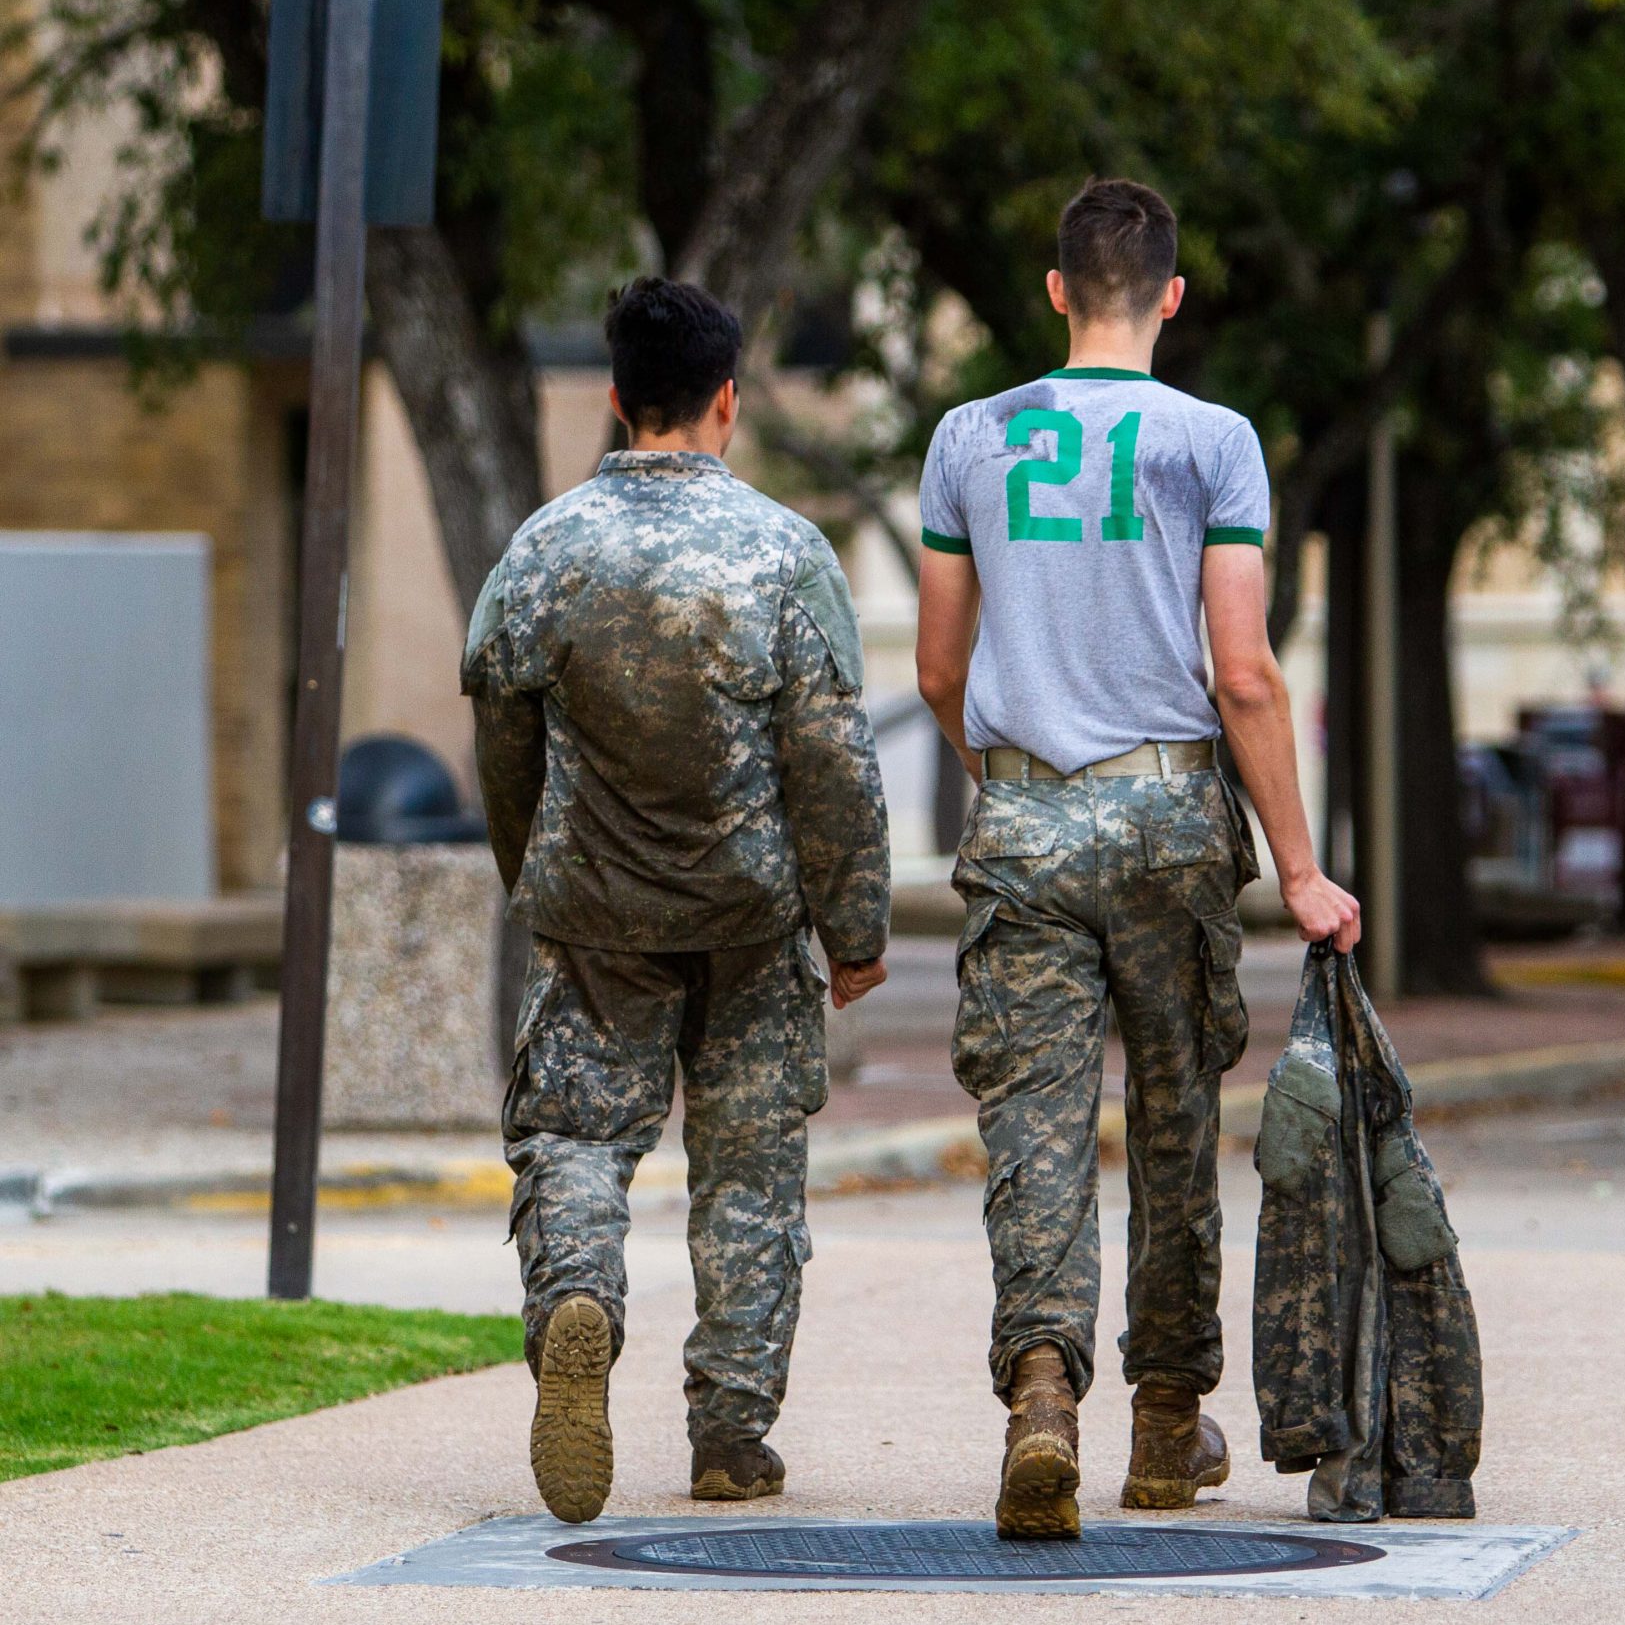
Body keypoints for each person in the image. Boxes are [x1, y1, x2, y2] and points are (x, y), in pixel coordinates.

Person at [913, 178, 1361, 1540]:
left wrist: (1008, 778)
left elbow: (939, 664)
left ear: (1055, 292)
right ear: (1171, 294)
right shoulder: (1214, 443)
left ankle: (1041, 1389)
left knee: (1032, 1125)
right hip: (1171, 819)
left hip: (1027, 818)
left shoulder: (968, 438)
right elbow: (1245, 673)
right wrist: (1299, 867)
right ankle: (1168, 1426)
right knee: (1175, 1125)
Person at [463, 279, 892, 1524]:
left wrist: (529, 871)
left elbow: (503, 736)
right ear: (727, 402)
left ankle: (581, 1298)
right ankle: (730, 1435)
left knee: (575, 1135)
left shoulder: (543, 550)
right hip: (754, 922)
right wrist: (853, 926)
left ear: (611, 398)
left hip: (597, 913)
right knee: (750, 1174)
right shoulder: (782, 554)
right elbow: (832, 762)